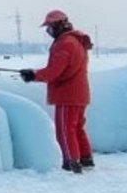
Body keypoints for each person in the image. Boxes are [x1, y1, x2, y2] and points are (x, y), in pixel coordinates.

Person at [20, 9, 94, 173]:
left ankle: (71, 162)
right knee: (77, 128)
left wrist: (33, 75)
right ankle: (85, 158)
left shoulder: (64, 44)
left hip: (67, 94)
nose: (48, 31)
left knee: (65, 130)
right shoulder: (77, 41)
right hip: (80, 93)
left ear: (60, 25)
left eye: (50, 26)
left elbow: (55, 71)